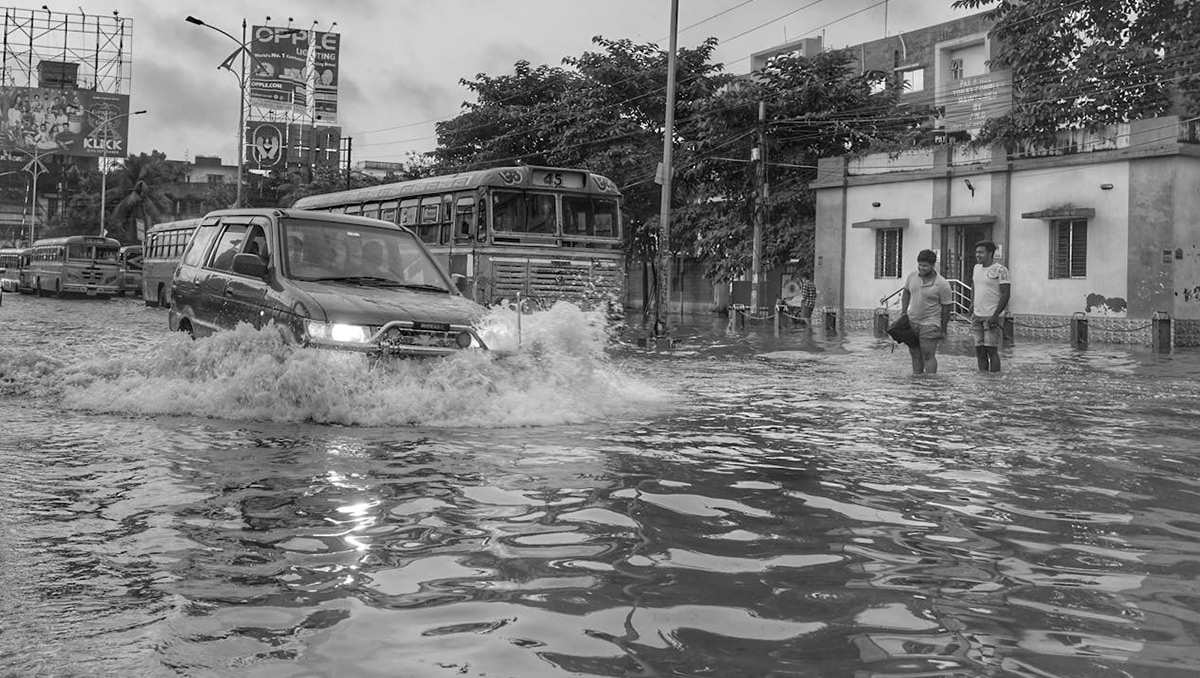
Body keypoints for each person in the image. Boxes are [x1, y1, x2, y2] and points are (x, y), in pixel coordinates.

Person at [900, 249, 953, 374]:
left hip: (931, 323)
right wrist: (903, 312)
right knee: (915, 354)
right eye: (919, 264)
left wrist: (944, 328)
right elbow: (906, 292)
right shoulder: (912, 277)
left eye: (925, 266)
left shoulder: (942, 284)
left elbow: (946, 309)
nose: (921, 268)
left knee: (928, 354)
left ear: (933, 265)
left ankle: (931, 383)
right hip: (912, 321)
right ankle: (918, 381)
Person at [970, 240, 1011, 372]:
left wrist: (996, 315)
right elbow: (974, 286)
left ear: (990, 253)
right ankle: (983, 378)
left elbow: (1005, 294)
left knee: (991, 350)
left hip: (991, 316)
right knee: (980, 351)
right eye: (976, 252)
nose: (978, 255)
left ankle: (994, 380)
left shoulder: (1000, 270)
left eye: (981, 252)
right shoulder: (976, 268)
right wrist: (972, 303)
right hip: (977, 315)